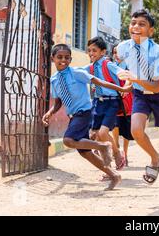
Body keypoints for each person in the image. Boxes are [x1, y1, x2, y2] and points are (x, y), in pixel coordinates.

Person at [116, 9, 159, 204]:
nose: (136, 27)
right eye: (133, 23)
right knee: (136, 130)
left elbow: (155, 86)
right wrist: (128, 85)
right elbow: (131, 68)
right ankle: (155, 159)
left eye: (142, 24)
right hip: (140, 95)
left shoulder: (157, 52)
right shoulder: (124, 47)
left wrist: (133, 79)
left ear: (151, 31)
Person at [42, 44, 131, 190]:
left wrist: (121, 89)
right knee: (84, 152)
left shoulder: (77, 72)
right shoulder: (54, 80)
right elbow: (58, 102)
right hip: (73, 116)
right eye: (59, 57)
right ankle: (114, 175)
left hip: (85, 112)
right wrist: (49, 113)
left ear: (70, 59)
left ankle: (103, 146)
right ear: (53, 58)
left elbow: (98, 81)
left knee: (68, 140)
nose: (63, 60)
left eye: (66, 57)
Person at [84, 37, 127, 173]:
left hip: (111, 101)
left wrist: (125, 86)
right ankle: (107, 168)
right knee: (96, 134)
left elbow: (123, 74)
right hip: (97, 102)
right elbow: (77, 72)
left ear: (102, 52)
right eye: (89, 50)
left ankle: (116, 154)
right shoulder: (90, 68)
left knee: (103, 133)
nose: (91, 53)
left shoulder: (108, 65)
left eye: (94, 50)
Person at [111, 44, 134, 167]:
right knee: (115, 125)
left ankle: (125, 153)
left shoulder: (129, 66)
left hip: (127, 100)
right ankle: (117, 149)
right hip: (114, 99)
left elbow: (129, 80)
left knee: (126, 129)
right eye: (114, 52)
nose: (117, 55)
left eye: (119, 52)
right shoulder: (111, 66)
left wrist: (124, 89)